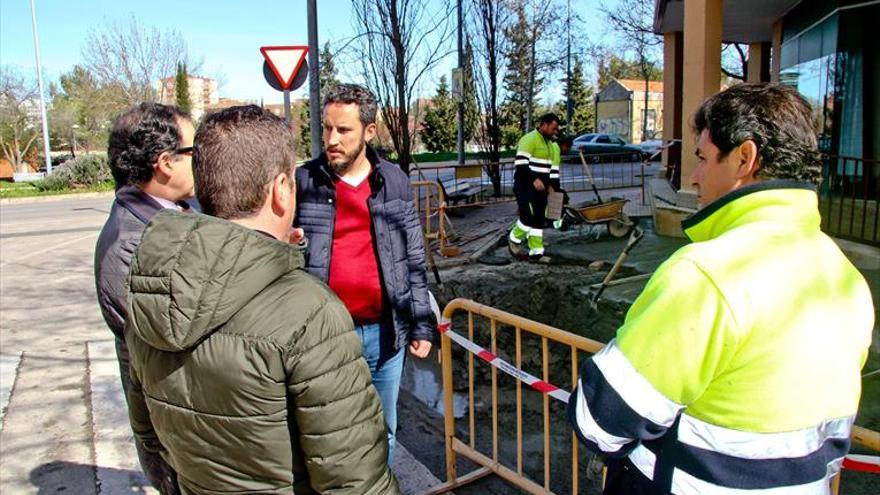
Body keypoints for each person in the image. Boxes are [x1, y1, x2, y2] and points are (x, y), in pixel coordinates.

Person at [568, 83, 874, 494]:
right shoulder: (845, 279)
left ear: (744, 159)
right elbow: (832, 441)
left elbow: (599, 421)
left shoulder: (706, 275)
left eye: (703, 158)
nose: (693, 178)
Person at [124, 105, 399, 494]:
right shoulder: (310, 312)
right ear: (281, 190)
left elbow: (150, 437)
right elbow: (355, 482)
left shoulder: (152, 288)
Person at [293, 83, 434, 464]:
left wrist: (421, 325)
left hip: (387, 336)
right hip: (326, 340)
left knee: (383, 431)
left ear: (369, 132)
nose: (331, 139)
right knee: (329, 440)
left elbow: (413, 259)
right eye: (326, 128)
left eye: (343, 130)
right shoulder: (303, 183)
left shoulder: (394, 182)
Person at [94, 102, 196, 494]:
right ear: (166, 163)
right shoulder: (128, 244)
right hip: (178, 439)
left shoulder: (177, 212)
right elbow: (177, 340)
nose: (198, 161)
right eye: (193, 152)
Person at [509, 113, 561, 262]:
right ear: (543, 125)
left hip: (542, 189)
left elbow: (553, 171)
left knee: (539, 219)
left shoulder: (551, 145)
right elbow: (521, 164)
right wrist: (534, 179)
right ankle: (514, 238)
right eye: (553, 128)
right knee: (528, 217)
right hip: (525, 187)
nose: (555, 132)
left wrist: (553, 187)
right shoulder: (529, 139)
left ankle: (536, 252)